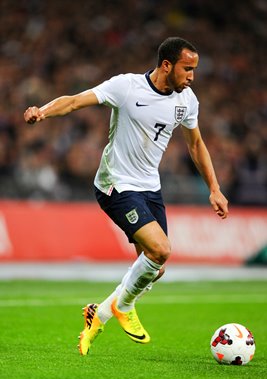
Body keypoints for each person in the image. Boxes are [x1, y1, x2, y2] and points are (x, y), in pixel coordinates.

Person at [24, 37, 229, 356]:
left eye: (194, 70)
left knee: (154, 268)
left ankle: (100, 314)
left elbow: (196, 144)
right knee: (161, 250)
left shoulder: (186, 100)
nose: (191, 76)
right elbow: (76, 101)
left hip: (150, 187)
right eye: (187, 69)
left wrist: (214, 188)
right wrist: (43, 111)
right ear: (166, 65)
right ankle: (125, 306)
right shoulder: (127, 87)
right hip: (115, 184)